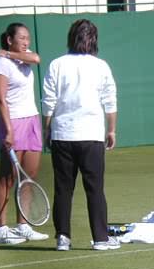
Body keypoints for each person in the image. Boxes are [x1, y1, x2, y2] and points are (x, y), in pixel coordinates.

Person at [42, 19, 120, 251]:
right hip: (91, 136)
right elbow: (110, 101)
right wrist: (112, 129)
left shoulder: (57, 64)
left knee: (63, 189)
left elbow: (49, 101)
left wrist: (47, 130)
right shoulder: (101, 66)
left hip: (63, 135)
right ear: (93, 40)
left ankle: (63, 238)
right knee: (95, 188)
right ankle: (100, 239)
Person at [0, 23, 49, 244]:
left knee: (28, 177)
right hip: (12, 122)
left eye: (28, 38)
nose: (26, 42)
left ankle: (23, 226)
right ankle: (1, 231)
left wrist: (11, 52)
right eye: (22, 38)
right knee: (7, 178)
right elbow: (0, 99)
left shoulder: (23, 56)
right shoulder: (1, 63)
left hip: (32, 120)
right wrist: (8, 129)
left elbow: (36, 59)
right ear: (9, 39)